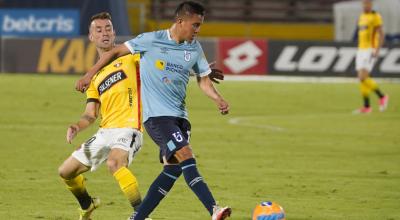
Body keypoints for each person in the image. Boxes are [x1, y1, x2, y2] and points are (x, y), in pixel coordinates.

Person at [75, 1, 232, 220]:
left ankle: (138, 217)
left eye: (200, 26)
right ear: (180, 21)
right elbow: (117, 51)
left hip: (180, 117)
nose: (198, 30)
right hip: (157, 119)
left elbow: (203, 80)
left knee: (173, 169)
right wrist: (90, 74)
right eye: (195, 25)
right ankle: (214, 209)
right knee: (186, 154)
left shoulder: (194, 48)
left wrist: (218, 99)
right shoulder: (151, 40)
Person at [58, 12, 145, 220]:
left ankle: (142, 214)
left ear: (114, 33)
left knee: (114, 163)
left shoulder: (132, 57)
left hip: (130, 127)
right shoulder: (95, 77)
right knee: (66, 171)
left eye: (108, 28)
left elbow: (160, 67)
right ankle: (87, 205)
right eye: (99, 30)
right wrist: (77, 127)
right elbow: (90, 114)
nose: (104, 33)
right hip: (105, 132)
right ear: (91, 37)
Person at [354, 0, 388, 114]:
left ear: (371, 4)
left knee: (362, 77)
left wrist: (377, 50)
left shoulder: (375, 16)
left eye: (367, 3)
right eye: (363, 3)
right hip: (361, 49)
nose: (365, 5)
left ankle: (382, 96)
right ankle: (367, 106)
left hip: (370, 49)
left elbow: (382, 34)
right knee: (362, 78)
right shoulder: (362, 16)